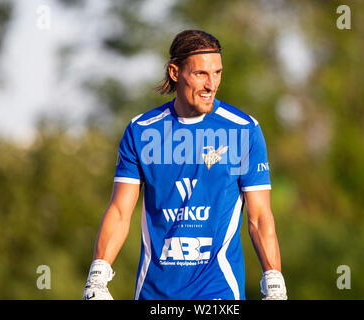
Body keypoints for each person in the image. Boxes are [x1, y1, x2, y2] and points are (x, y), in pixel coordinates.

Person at [83, 30, 287, 300]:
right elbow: (120, 212)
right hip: (154, 292)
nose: (211, 85)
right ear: (175, 72)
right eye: (201, 74)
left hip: (218, 291)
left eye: (217, 73)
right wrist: (98, 276)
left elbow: (259, 216)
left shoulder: (243, 130)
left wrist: (274, 283)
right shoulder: (141, 131)